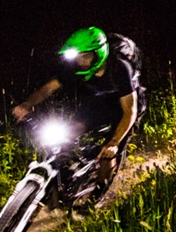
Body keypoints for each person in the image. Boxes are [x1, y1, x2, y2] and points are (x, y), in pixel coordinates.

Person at [12, 27, 144, 190]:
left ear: (98, 54)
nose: (81, 62)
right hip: (97, 102)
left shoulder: (119, 68)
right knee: (68, 132)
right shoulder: (77, 68)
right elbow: (49, 87)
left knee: (107, 154)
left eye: (86, 56)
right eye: (78, 57)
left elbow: (130, 111)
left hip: (123, 108)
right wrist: (27, 104)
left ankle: (98, 193)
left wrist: (114, 143)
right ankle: (64, 178)